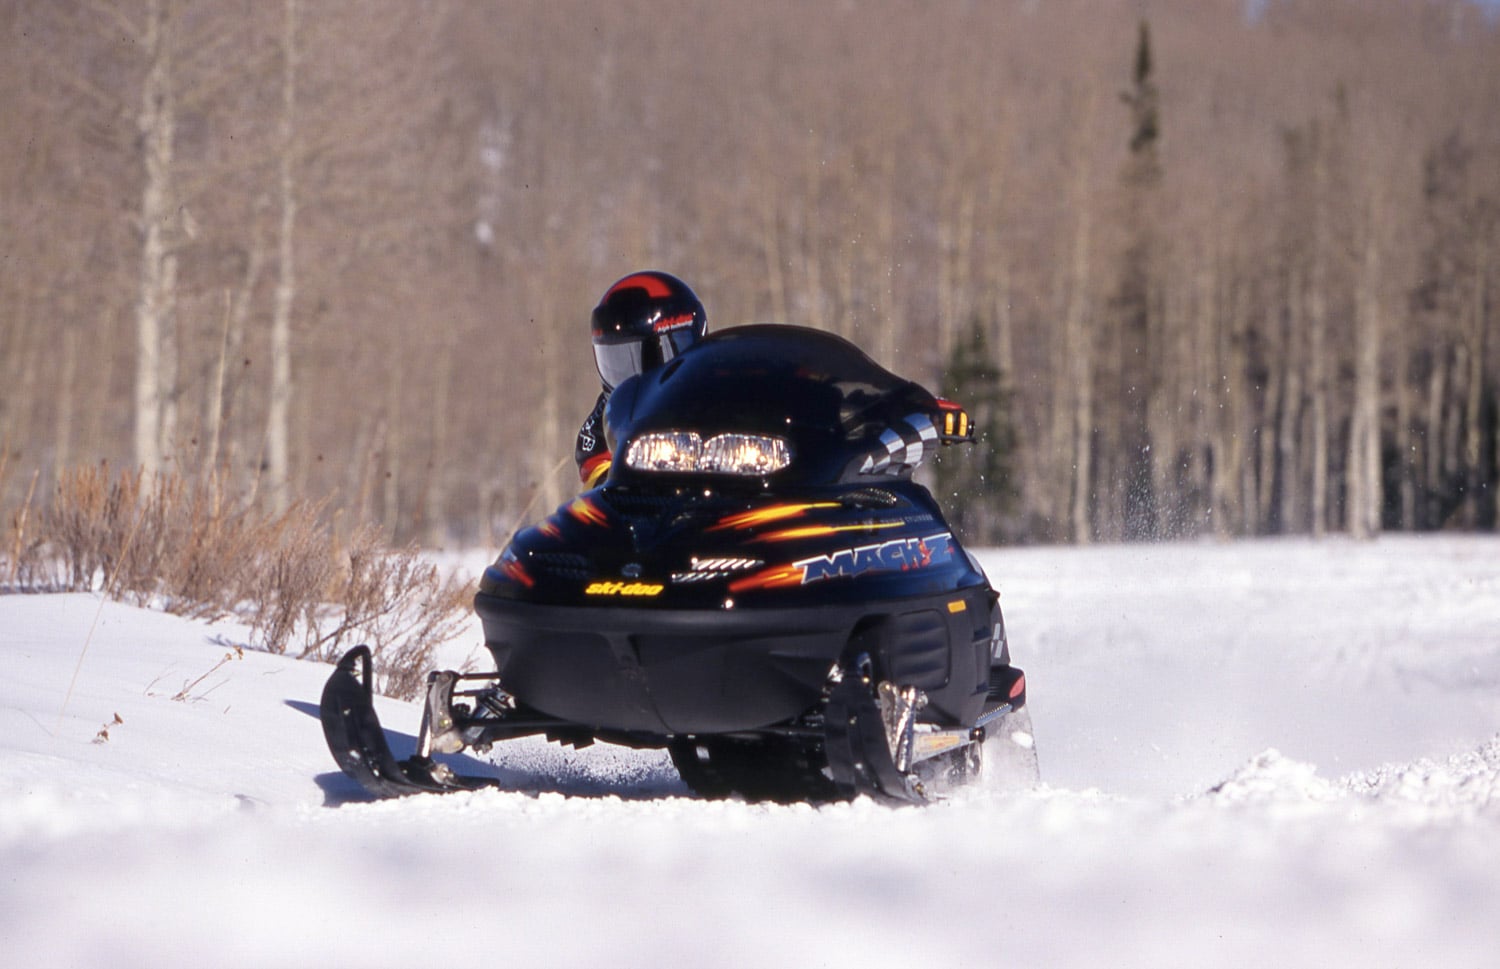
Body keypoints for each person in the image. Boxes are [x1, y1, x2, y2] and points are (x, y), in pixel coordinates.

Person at [575, 271, 708, 487]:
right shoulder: (599, 431)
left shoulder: (720, 394)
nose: (643, 381)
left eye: (658, 356)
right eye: (621, 361)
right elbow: (598, 491)